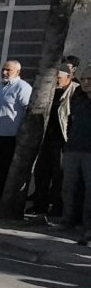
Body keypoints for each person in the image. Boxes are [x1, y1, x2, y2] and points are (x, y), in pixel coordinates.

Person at [31, 63, 77, 216]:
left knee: (59, 176)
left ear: (68, 77)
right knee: (41, 173)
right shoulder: (50, 90)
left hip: (63, 140)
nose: (56, 81)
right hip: (47, 139)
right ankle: (39, 205)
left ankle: (57, 207)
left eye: (59, 78)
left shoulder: (75, 91)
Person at [0, 60, 32, 205]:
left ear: (18, 72)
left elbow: (27, 110)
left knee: (5, 169)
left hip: (10, 136)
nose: (4, 73)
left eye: (8, 70)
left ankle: (2, 199)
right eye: (3, 70)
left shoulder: (22, 87)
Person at [60, 69, 91, 246]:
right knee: (69, 187)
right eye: (84, 79)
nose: (85, 82)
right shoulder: (78, 100)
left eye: (90, 79)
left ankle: (87, 228)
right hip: (73, 149)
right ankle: (67, 221)